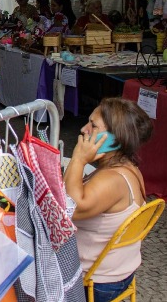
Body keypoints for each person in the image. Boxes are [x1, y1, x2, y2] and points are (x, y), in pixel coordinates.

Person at [64, 98, 152, 302]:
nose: (83, 129)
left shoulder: (113, 180)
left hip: (98, 281)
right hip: (118, 270)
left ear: (117, 139)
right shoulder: (128, 166)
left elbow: (69, 209)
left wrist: (78, 159)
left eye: (93, 126)